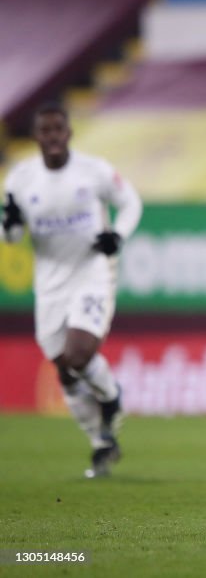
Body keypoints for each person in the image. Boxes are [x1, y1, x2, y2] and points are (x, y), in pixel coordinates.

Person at [2, 102, 142, 478]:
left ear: (69, 133)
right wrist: (10, 225)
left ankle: (111, 397)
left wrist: (118, 235)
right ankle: (101, 442)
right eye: (45, 130)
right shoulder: (20, 179)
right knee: (64, 370)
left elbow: (130, 202)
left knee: (78, 354)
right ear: (36, 136)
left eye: (58, 129)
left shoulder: (93, 171)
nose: (52, 137)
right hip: (50, 283)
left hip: (92, 271)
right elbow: (12, 236)